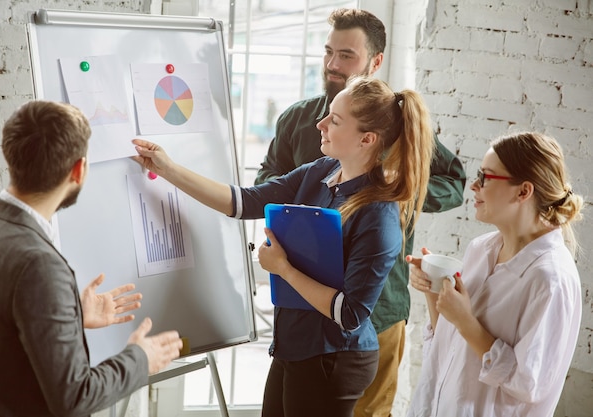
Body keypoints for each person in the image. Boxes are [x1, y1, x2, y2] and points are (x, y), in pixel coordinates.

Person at [132, 75, 435, 417]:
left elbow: (350, 314)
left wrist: (283, 269)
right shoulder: (322, 171)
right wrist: (168, 169)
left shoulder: (378, 217)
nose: (320, 124)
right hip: (297, 346)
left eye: (334, 120)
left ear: (367, 139)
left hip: (332, 359)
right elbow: (244, 202)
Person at [254, 8, 466, 417]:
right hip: (305, 306)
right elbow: (268, 179)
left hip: (377, 309)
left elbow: (454, 183)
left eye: (346, 55)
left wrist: (391, 190)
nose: (333, 65)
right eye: (328, 52)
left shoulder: (398, 122)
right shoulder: (299, 119)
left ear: (376, 61)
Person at [0, 100, 183, 416]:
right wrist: (140, 359)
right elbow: (74, 398)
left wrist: (68, 316)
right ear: (78, 170)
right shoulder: (39, 265)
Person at [406, 132, 583, 416]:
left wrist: (465, 321)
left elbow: (529, 385)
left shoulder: (550, 279)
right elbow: (450, 346)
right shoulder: (480, 249)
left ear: (523, 191)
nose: (474, 186)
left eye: (486, 177)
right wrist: (434, 291)